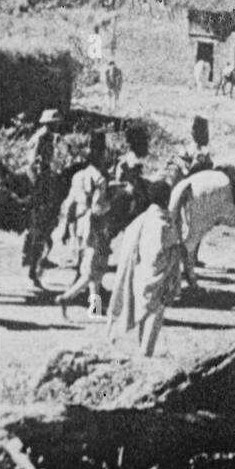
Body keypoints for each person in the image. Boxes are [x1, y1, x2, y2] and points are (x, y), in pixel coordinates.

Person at [105, 180, 184, 356]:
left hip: (142, 271)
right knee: (155, 312)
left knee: (146, 310)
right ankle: (146, 351)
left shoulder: (143, 218)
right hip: (157, 273)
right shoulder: (162, 222)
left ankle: (144, 347)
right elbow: (164, 248)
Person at [56, 135, 112, 318]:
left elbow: (70, 204)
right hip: (93, 225)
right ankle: (66, 297)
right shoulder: (100, 180)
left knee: (92, 268)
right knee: (92, 270)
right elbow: (97, 208)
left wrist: (66, 228)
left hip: (79, 225)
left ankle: (95, 307)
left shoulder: (78, 176)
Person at [23, 109, 63, 270]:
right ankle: (31, 253)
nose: (57, 125)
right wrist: (38, 178)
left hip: (43, 173)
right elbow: (33, 160)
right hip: (37, 175)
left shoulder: (47, 136)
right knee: (42, 210)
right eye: (55, 123)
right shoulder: (42, 137)